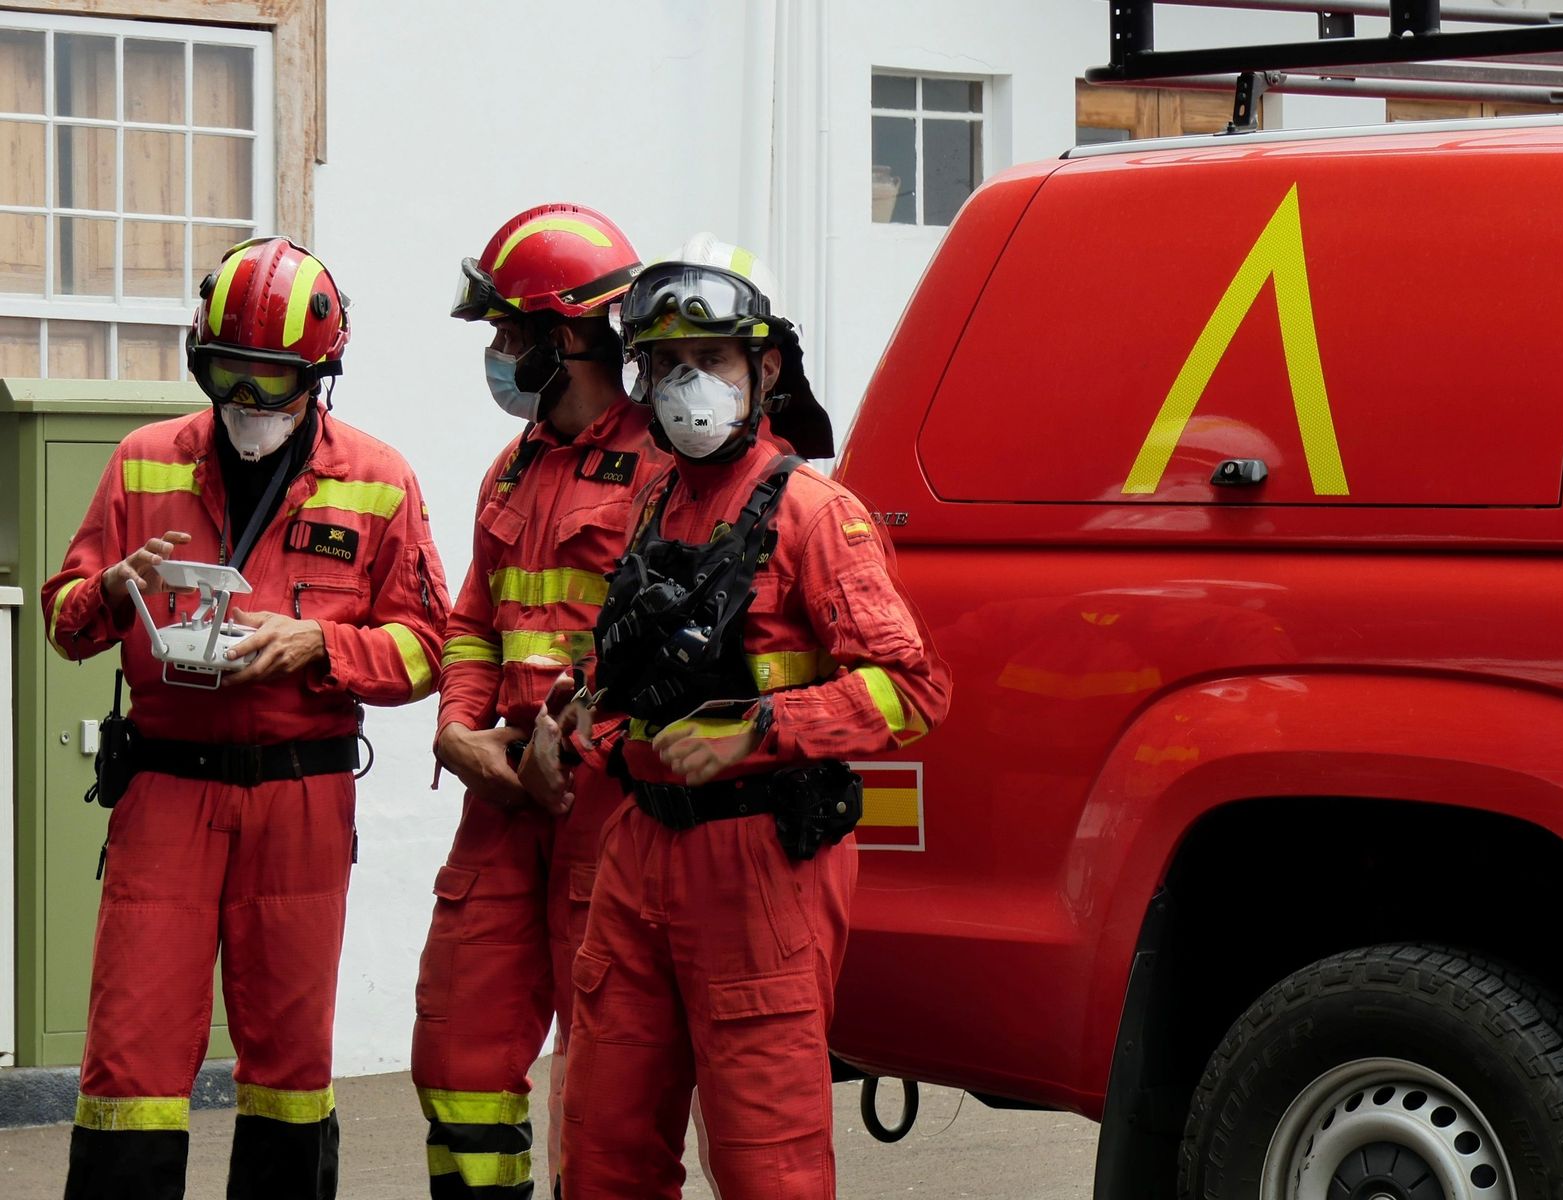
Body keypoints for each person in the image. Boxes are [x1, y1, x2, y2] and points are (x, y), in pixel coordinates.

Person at [41, 235, 451, 1200]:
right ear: (200, 358)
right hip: (166, 791)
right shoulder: (144, 463)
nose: (248, 400)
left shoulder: (379, 479)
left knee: (289, 1061)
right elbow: (63, 623)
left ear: (319, 376)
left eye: (273, 379)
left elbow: (430, 647)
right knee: (131, 1054)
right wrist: (110, 589)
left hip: (300, 798)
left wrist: (321, 646)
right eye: (229, 372)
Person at [550, 236, 951, 1197]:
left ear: (764, 370)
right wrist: (586, 711)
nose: (687, 386)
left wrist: (758, 730)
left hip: (758, 868)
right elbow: (634, 661)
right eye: (666, 365)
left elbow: (913, 688)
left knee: (767, 1166)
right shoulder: (654, 503)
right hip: (637, 849)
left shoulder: (816, 515)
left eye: (712, 359)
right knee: (602, 1154)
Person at [415, 203, 668, 1200]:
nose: (499, 356)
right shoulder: (511, 468)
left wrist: (571, 742)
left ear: (569, 339)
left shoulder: (666, 467)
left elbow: (672, 644)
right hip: (503, 797)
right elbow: (473, 623)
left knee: (605, 1081)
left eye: (511, 335)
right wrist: (457, 731)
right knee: (456, 1049)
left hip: (607, 804)